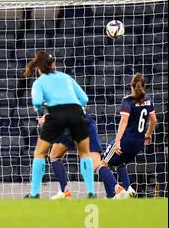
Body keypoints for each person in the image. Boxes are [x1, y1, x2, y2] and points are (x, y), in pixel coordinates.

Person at [23, 51, 95, 199]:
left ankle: (35, 193)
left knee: (40, 153)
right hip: (76, 113)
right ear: (53, 65)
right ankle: (91, 192)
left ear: (39, 67)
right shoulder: (66, 77)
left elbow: (36, 102)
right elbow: (84, 98)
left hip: (56, 115)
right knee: (84, 153)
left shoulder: (39, 82)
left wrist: (41, 111)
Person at [49, 114, 128, 199]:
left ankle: (65, 191)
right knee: (97, 165)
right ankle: (118, 189)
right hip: (86, 122)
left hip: (70, 125)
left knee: (55, 156)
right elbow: (84, 100)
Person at [103, 73, 157, 197]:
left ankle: (118, 190)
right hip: (138, 144)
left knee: (102, 166)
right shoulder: (148, 100)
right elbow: (154, 120)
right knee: (119, 163)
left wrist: (117, 141)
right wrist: (148, 134)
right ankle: (128, 189)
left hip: (126, 141)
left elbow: (124, 121)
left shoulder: (127, 100)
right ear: (144, 86)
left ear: (131, 86)